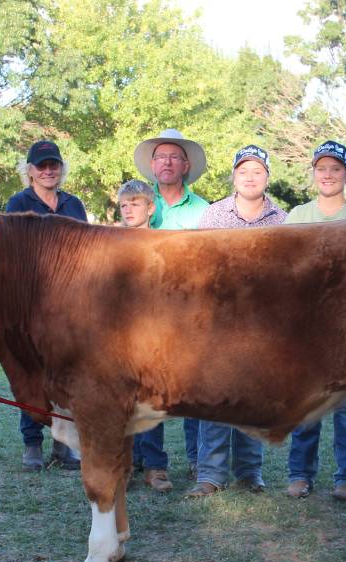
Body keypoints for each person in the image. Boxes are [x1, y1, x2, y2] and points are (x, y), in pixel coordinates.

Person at [186, 144, 286, 498]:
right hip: (219, 321)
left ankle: (250, 472)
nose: (249, 177)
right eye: (243, 171)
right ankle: (211, 474)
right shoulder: (214, 216)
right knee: (214, 398)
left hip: (262, 325)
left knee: (254, 401)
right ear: (233, 176)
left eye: (257, 171)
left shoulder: (281, 220)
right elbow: (199, 268)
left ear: (267, 177)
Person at [282, 141, 346, 502]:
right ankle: (300, 473)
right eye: (321, 169)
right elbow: (284, 271)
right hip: (306, 325)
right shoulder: (297, 217)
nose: (328, 175)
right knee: (307, 403)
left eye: (335, 169)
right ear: (313, 173)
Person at [132, 129, 211, 479]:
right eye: (160, 156)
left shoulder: (204, 210)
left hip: (189, 312)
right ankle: (153, 464)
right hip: (146, 313)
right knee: (147, 387)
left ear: (186, 165)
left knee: (192, 387)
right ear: (152, 165)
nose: (166, 162)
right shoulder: (138, 202)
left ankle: (197, 459)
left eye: (174, 156)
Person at [5, 140, 87, 471]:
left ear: (61, 168)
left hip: (70, 303)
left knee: (65, 374)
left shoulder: (73, 204)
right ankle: (32, 444)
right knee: (32, 373)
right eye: (42, 166)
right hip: (31, 302)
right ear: (30, 172)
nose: (48, 170)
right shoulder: (18, 203)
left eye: (53, 164)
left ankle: (64, 444)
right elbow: (12, 253)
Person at [114, 179, 171, 491]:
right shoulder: (112, 242)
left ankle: (155, 465)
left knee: (150, 401)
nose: (128, 209)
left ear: (151, 207)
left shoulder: (161, 243)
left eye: (135, 203)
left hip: (153, 334)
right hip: (119, 335)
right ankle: (125, 464)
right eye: (124, 205)